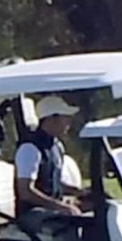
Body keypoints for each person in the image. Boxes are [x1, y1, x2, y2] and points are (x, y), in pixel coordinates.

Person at [14, 95, 89, 232]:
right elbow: (26, 191)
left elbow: (53, 182)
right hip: (32, 214)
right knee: (72, 221)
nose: (69, 122)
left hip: (50, 207)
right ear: (51, 118)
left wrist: (80, 192)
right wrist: (61, 207)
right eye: (65, 117)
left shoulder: (56, 146)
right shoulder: (30, 149)